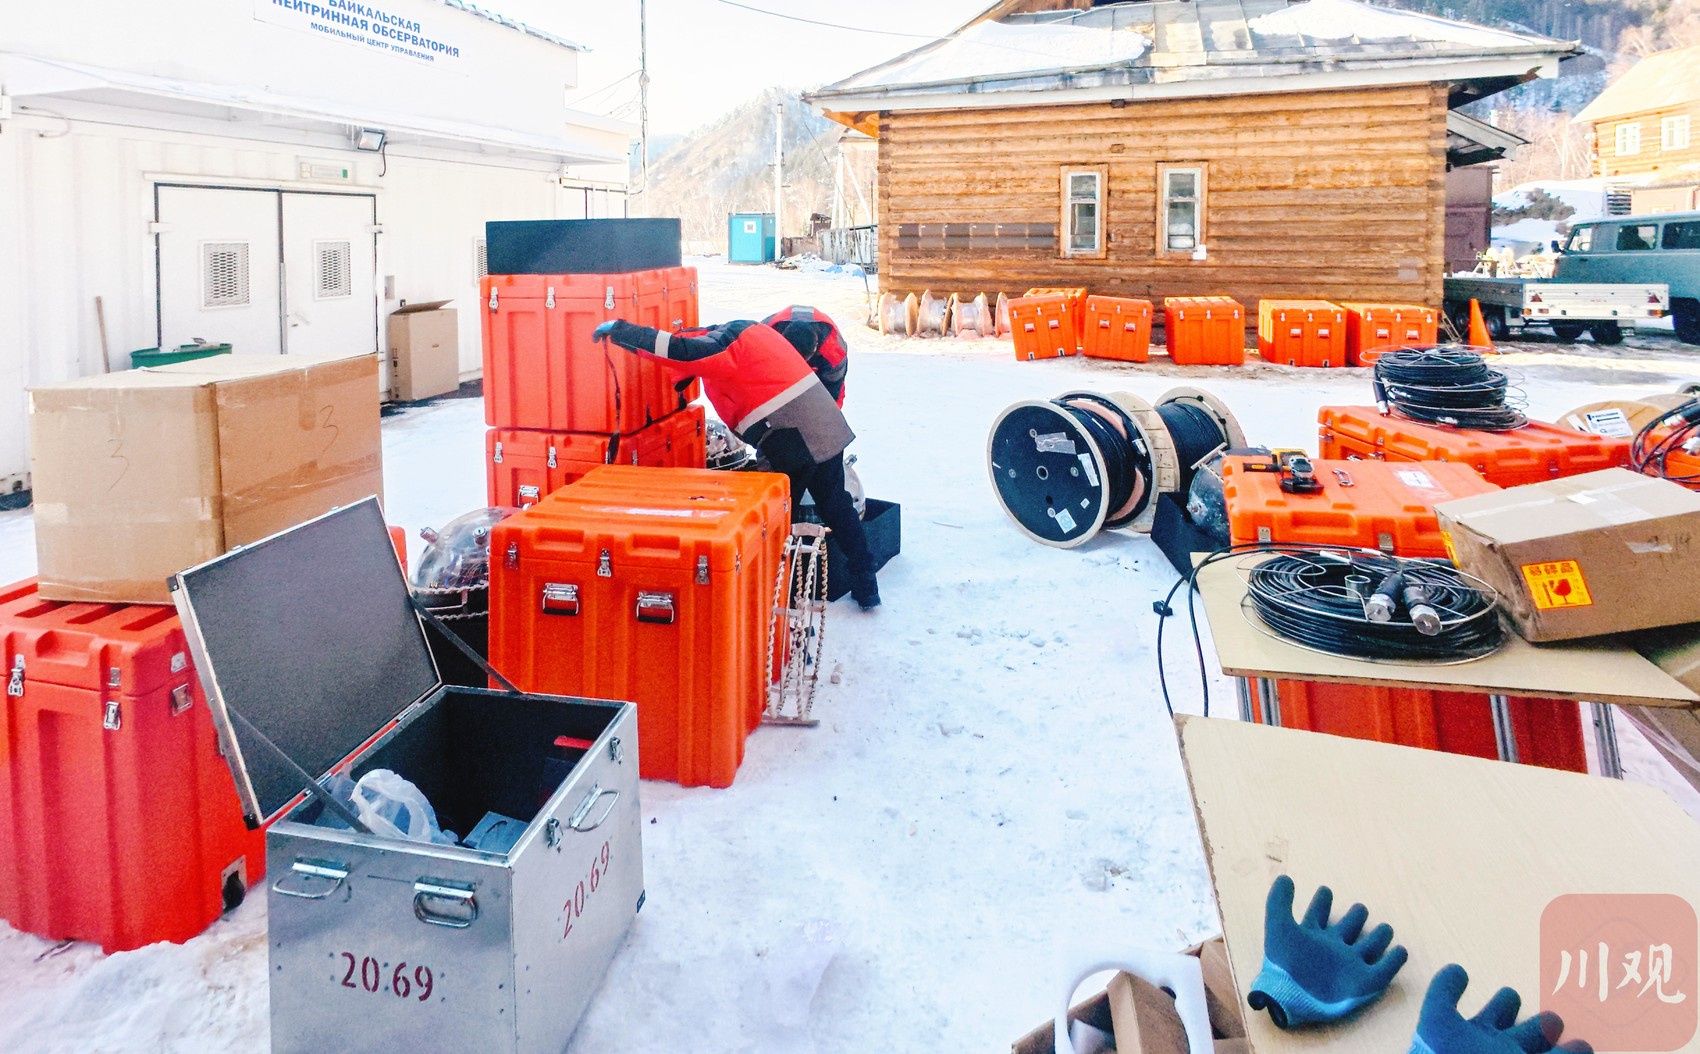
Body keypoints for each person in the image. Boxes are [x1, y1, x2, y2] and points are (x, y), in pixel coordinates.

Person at [592, 317, 880, 610]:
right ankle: (866, 586)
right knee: (837, 506)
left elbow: (680, 350)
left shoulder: (726, 342)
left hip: (791, 437)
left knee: (771, 525)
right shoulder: (751, 332)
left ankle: (772, 606)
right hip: (826, 426)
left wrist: (622, 332)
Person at [763, 305, 849, 407]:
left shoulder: (833, 351)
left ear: (815, 349)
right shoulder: (765, 339)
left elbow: (834, 391)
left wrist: (829, 415)